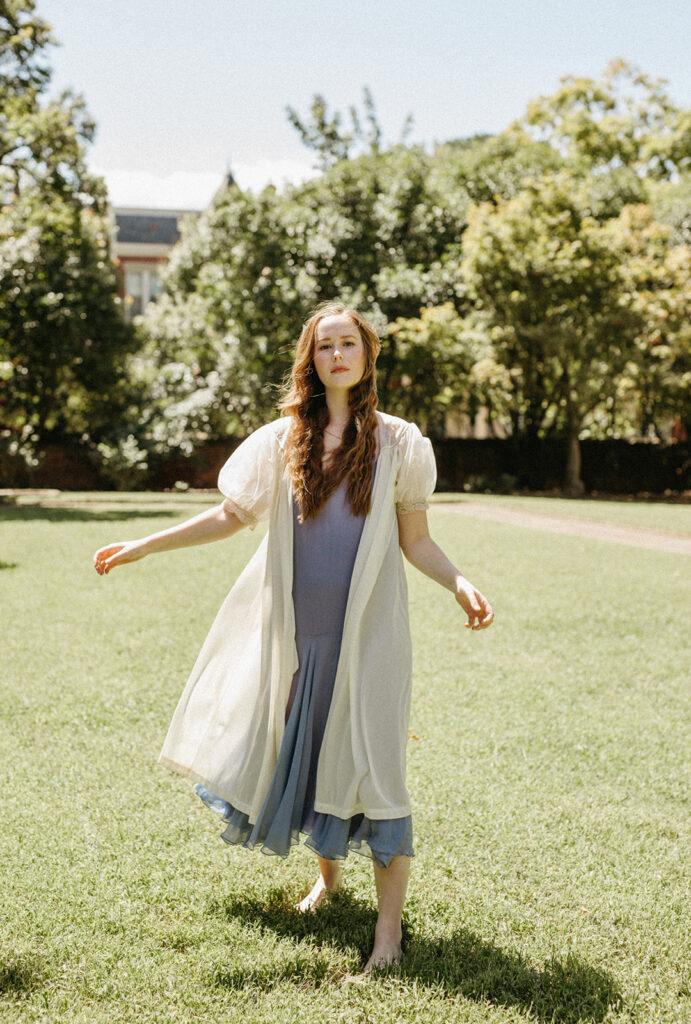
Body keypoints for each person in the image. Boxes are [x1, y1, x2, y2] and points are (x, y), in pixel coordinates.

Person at [93, 302, 494, 973]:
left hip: (367, 642)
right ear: (310, 359)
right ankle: (328, 882)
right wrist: (144, 545)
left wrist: (458, 582)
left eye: (348, 343)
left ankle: (387, 939)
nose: (337, 354)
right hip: (296, 637)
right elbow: (230, 514)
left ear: (366, 354)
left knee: (374, 767)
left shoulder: (399, 443)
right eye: (324, 345)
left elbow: (415, 541)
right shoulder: (281, 440)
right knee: (311, 755)